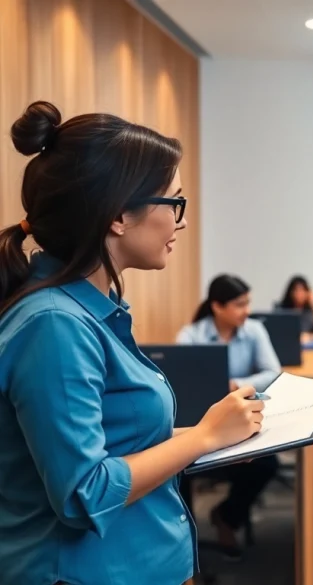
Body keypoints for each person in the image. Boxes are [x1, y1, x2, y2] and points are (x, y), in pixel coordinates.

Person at [0, 101, 264, 585]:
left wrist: (214, 440)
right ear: (120, 215)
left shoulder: (90, 313)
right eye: (174, 203)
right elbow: (85, 493)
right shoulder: (55, 325)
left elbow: (126, 447)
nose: (181, 222)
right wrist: (204, 436)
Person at [176, 274, 282, 560]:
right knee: (177, 467)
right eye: (239, 304)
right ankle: (186, 542)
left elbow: (273, 373)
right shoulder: (191, 335)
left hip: (241, 426)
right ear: (217, 307)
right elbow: (184, 381)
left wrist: (234, 385)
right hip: (198, 426)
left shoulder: (254, 330)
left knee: (266, 465)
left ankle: (227, 517)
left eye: (247, 303)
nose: (247, 311)